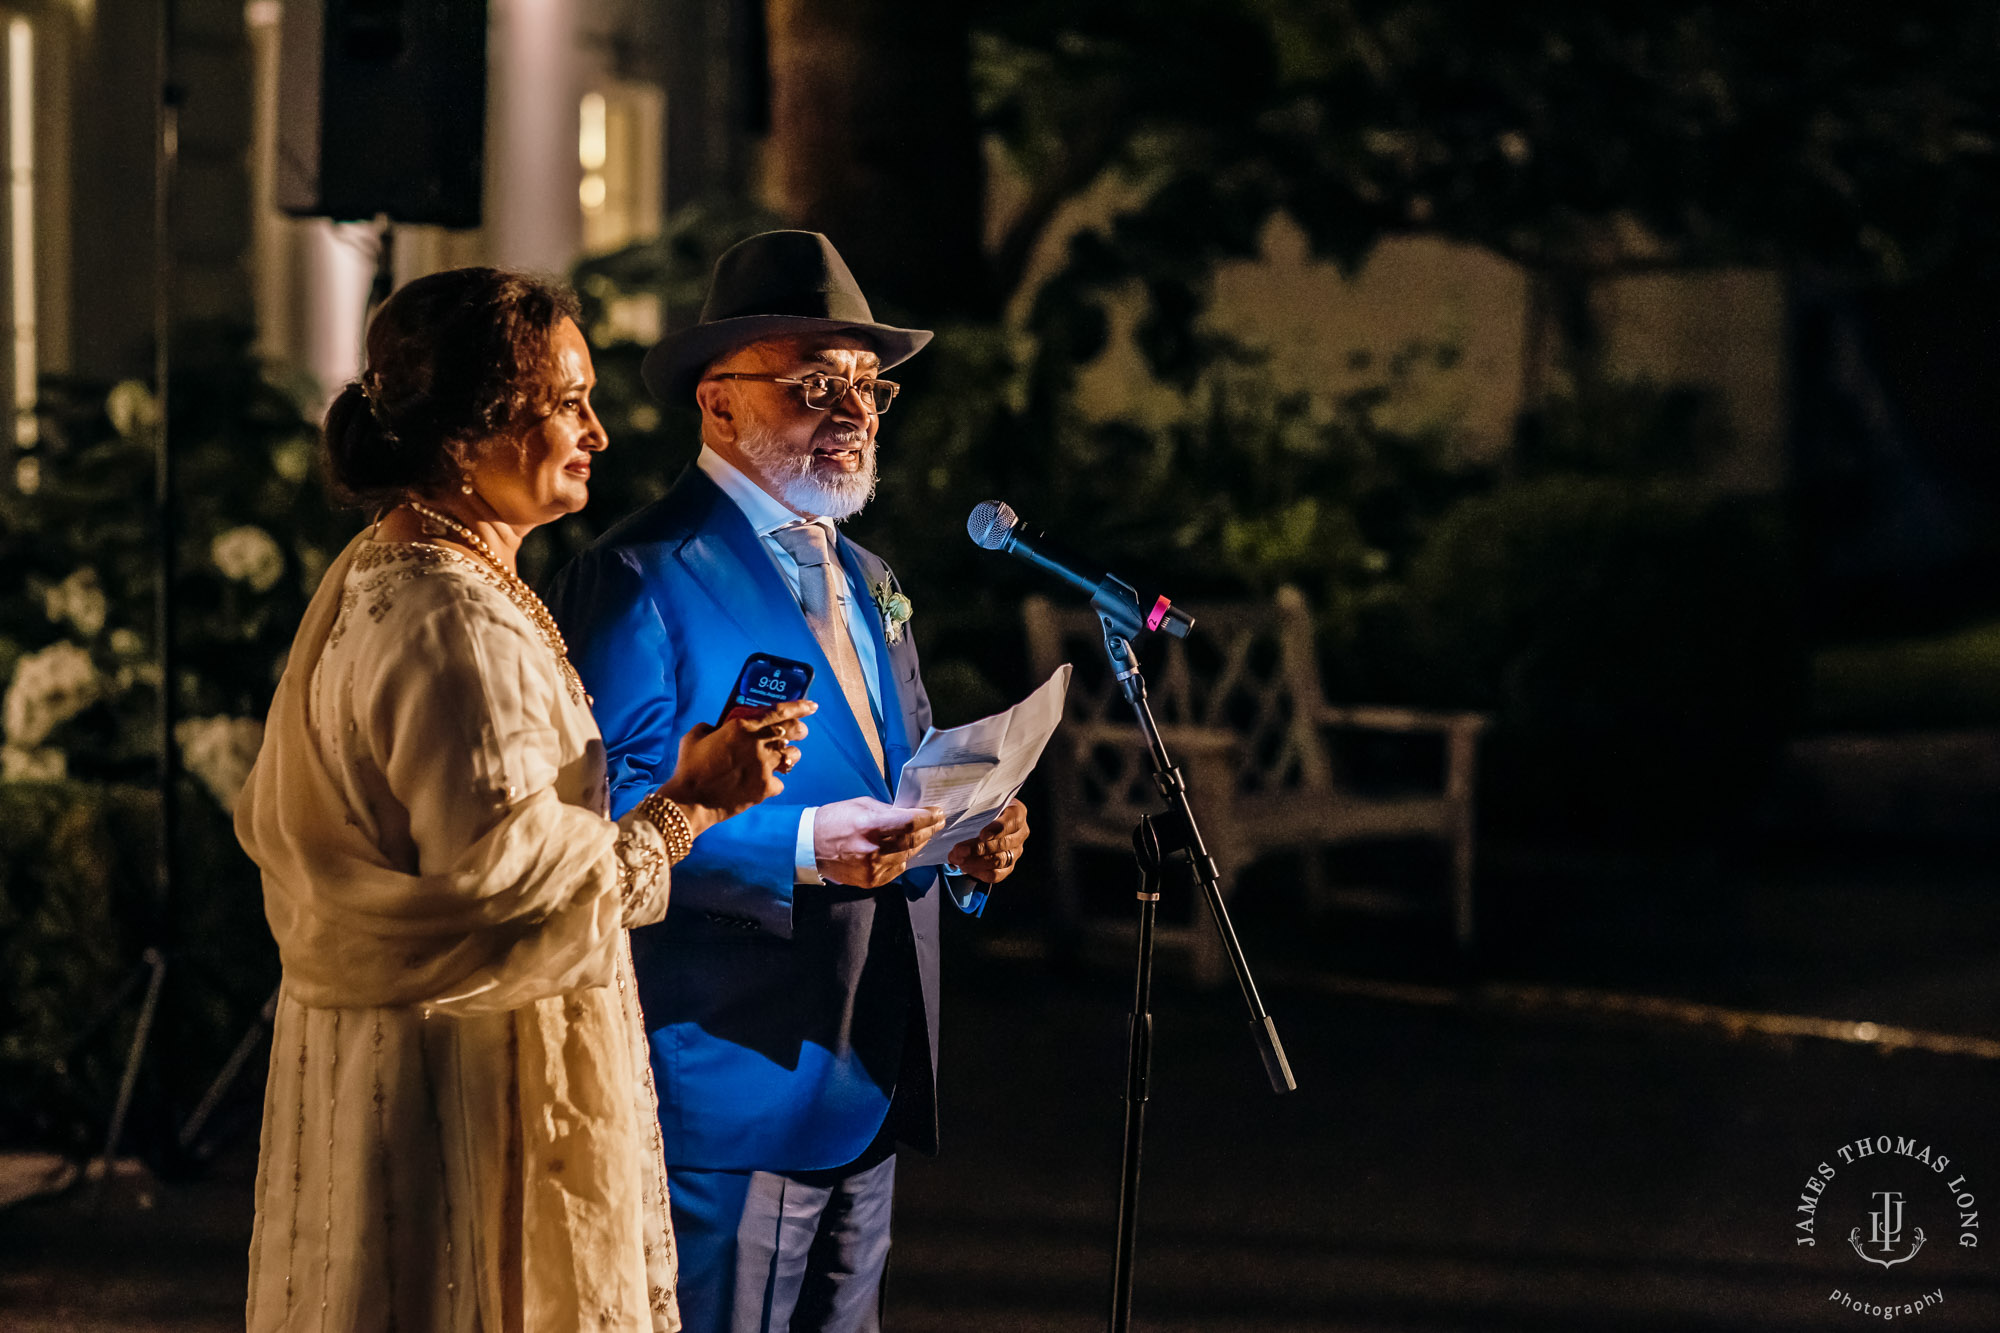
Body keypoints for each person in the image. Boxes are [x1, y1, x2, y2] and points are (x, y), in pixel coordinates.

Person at [234, 266, 814, 1333]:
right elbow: (510, 890)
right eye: (566, 403)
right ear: (468, 431)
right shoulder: (452, 624)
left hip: (413, 1065)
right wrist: (689, 805)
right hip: (465, 1089)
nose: (596, 431)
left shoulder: (402, 572)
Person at [546, 230, 1031, 1333]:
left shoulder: (869, 575)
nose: (851, 408)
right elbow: (598, 830)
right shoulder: (637, 574)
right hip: (727, 1068)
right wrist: (801, 846)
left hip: (871, 1064)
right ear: (718, 403)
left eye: (866, 386)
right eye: (814, 382)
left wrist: (964, 842)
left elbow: (894, 777)